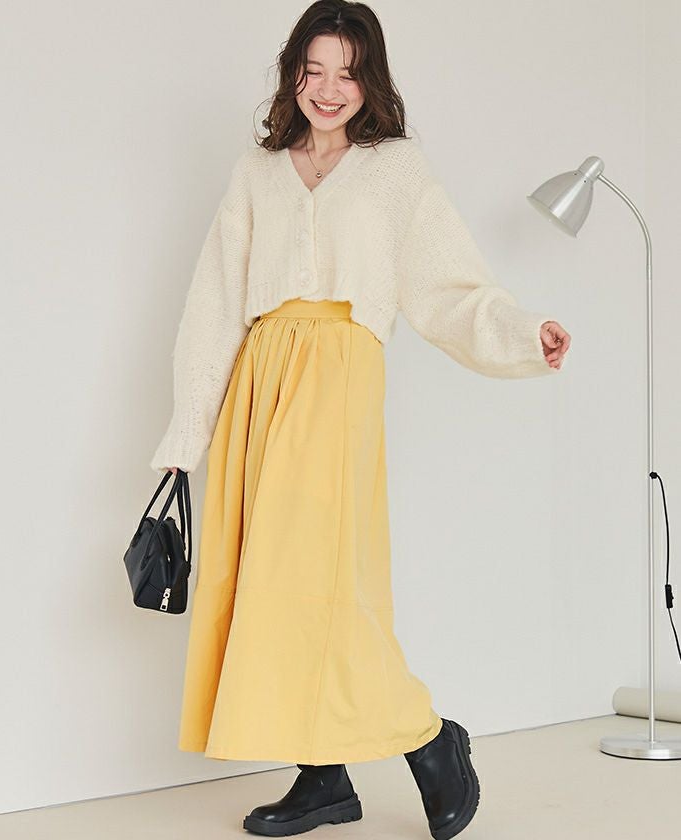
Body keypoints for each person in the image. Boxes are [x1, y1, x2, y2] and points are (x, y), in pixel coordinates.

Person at [149, 1, 571, 837]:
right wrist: (187, 435)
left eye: (347, 72)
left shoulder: (394, 171)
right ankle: (323, 778)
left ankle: (430, 740)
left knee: (329, 585)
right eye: (314, 70)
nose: (329, 89)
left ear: (370, 79)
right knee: (273, 587)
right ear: (292, 76)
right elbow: (215, 304)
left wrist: (523, 333)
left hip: (339, 379)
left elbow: (449, 286)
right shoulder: (257, 172)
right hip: (260, 382)